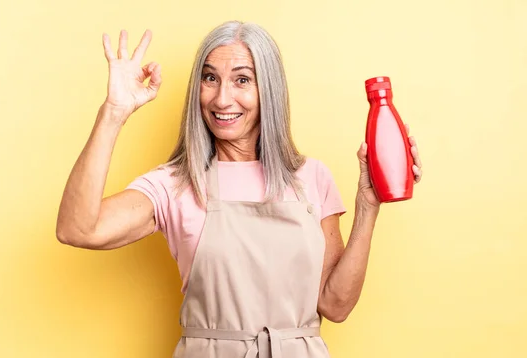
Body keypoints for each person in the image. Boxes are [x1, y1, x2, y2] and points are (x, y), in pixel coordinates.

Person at [56, 21, 423, 358]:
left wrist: (368, 206)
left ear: (270, 91)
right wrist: (114, 111)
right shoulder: (176, 183)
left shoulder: (311, 177)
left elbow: (336, 305)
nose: (221, 99)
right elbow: (77, 228)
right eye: (210, 78)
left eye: (242, 80)